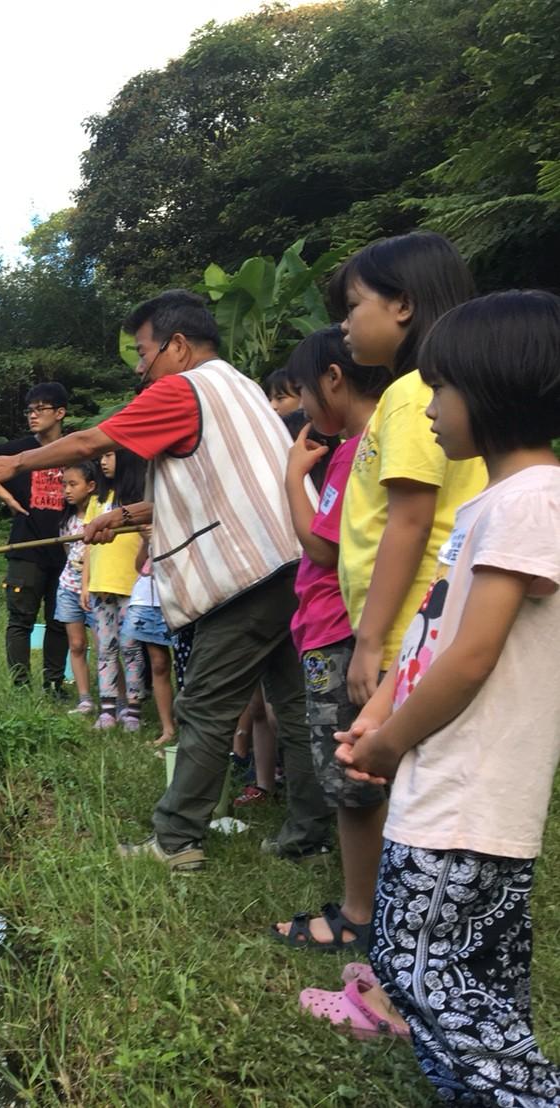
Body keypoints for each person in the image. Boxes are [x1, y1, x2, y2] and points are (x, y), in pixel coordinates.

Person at [0, 290, 331, 872]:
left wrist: (15, 464)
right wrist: (124, 516)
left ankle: (176, 840)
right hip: (296, 561)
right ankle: (311, 833)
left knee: (205, 705)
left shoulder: (184, 388)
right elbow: (218, 486)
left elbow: (92, 441)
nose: (141, 366)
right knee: (295, 705)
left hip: (248, 574)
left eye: (144, 352)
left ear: (178, 346)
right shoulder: (241, 389)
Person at [326, 290, 560, 1101]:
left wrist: (388, 747)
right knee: (480, 976)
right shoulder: (488, 506)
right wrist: (378, 710)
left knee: (420, 967)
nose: (428, 408)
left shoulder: (531, 503)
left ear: (491, 392)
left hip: (469, 797)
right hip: (452, 787)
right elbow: (433, 630)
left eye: (444, 389)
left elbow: (470, 659)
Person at [275, 231, 486, 948]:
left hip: (401, 633)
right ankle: (393, 920)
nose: (343, 323)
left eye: (354, 305)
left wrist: (369, 643)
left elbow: (409, 518)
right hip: (416, 626)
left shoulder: (409, 394)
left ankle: (367, 921)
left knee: (371, 774)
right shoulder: (437, 392)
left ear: (403, 305)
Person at [266, 327, 392, 952]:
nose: (303, 410)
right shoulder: (363, 446)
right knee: (357, 773)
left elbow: (321, 544)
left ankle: (359, 914)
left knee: (349, 776)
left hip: (337, 629)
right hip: (340, 627)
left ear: (333, 381)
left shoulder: (354, 452)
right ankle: (372, 905)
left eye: (304, 394)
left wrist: (294, 476)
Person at [0, 383, 70, 693]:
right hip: (26, 546)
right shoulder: (18, 448)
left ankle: (54, 684)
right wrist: (5, 498)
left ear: (60, 412)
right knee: (21, 618)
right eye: (29, 410)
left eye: (40, 409)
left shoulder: (72, 448)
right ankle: (21, 686)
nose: (33, 416)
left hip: (66, 548)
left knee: (59, 621)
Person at [86, 449, 148, 731]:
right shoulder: (97, 500)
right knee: (105, 648)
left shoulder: (139, 503)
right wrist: (86, 583)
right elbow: (87, 545)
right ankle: (108, 708)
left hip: (130, 585)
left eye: (110, 455)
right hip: (100, 585)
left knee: (131, 647)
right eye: (102, 456)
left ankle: (133, 707)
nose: (103, 461)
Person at [53, 460, 101, 714]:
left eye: (73, 484)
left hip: (96, 588)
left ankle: (117, 699)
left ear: (91, 486)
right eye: (64, 485)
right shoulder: (67, 519)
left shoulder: (102, 515)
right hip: (68, 586)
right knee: (76, 644)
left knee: (105, 646)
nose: (67, 490)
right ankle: (84, 699)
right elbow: (68, 552)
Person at [123, 533, 175, 747]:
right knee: (159, 664)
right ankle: (168, 728)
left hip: (178, 596)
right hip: (147, 598)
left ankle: (190, 723)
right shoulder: (150, 524)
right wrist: (145, 541)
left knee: (188, 665)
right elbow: (139, 566)